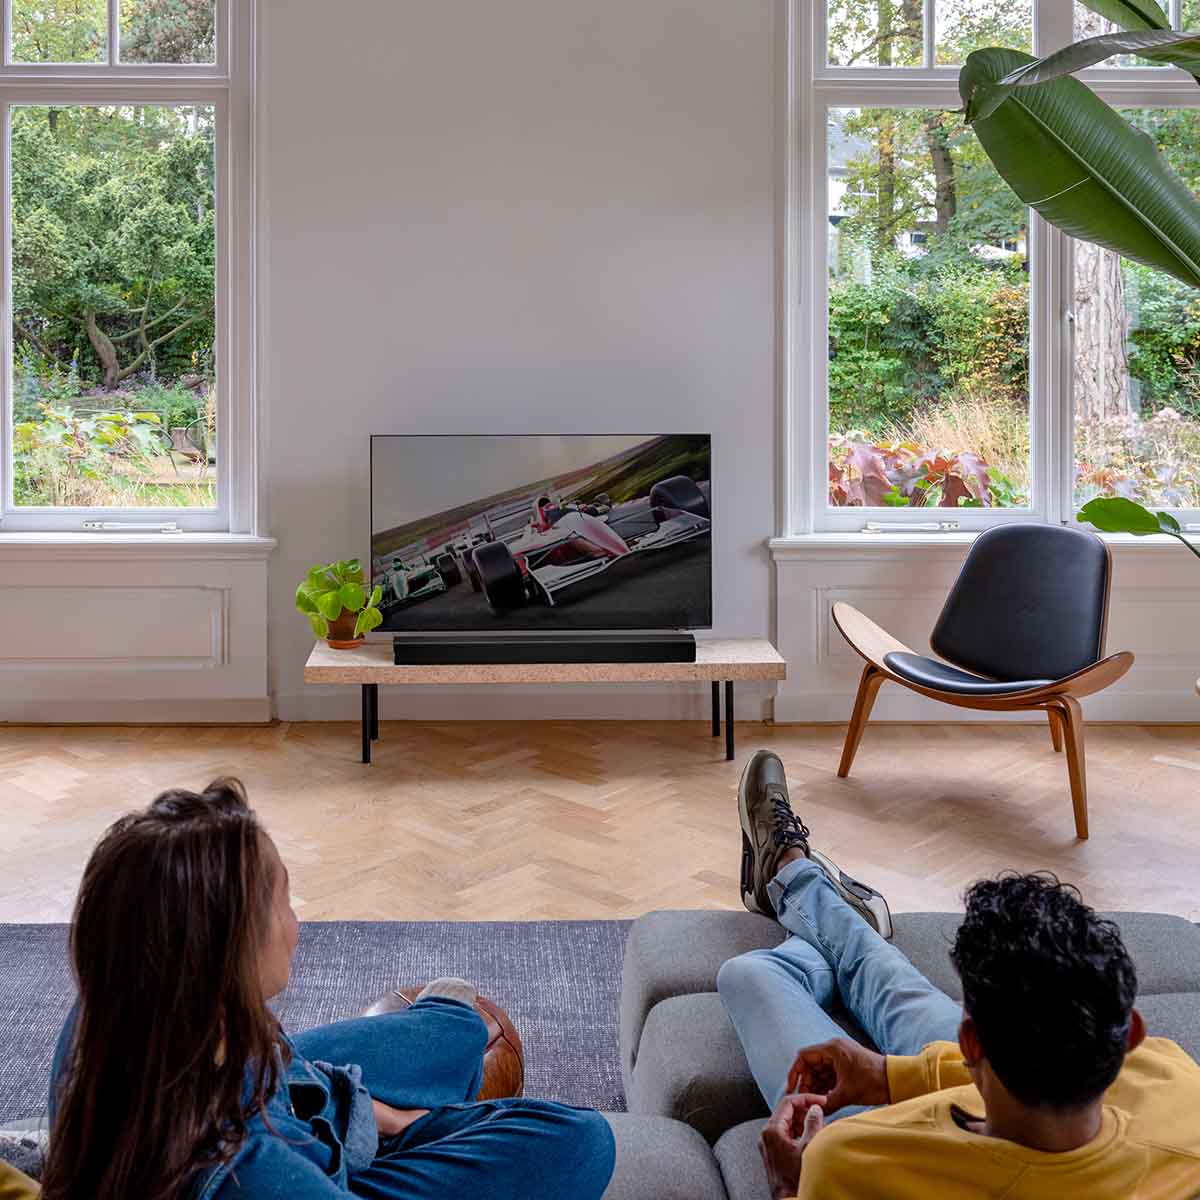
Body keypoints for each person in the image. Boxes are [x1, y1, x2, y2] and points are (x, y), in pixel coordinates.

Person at [41, 779, 614, 1200]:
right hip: (310, 1163)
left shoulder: (123, 1001)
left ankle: (388, 1098)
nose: (296, 923)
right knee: (577, 1140)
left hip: (274, 1105)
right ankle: (410, 1104)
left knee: (452, 1032)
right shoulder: (255, 1178)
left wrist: (380, 1115)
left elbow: (267, 1069)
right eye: (283, 900)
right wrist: (388, 1129)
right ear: (232, 943)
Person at [719, 749, 1200, 1200]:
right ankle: (810, 896)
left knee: (751, 971)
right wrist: (887, 1076)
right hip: (1012, 1087)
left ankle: (798, 878)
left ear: (969, 1041)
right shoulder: (1181, 1100)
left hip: (950, 1103)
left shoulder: (845, 1161)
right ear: (1130, 1032)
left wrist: (791, 1186)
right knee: (871, 971)